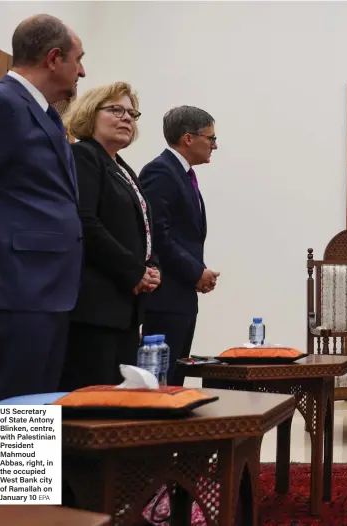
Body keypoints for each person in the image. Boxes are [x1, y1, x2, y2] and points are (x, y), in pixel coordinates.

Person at [0, 14, 85, 400]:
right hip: (17, 286)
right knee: (16, 400)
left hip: (48, 287)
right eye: (77, 59)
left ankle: (30, 464)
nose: (81, 70)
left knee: (37, 399)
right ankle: (16, 464)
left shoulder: (48, 115)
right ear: (53, 58)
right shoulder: (6, 103)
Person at [59, 82, 161, 390]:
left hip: (123, 308)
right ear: (90, 113)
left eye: (132, 113)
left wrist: (151, 267)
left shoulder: (123, 168)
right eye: (116, 110)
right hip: (94, 307)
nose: (127, 118)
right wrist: (135, 271)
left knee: (117, 405)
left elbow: (141, 225)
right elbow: (85, 221)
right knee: (91, 403)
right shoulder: (83, 155)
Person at [139, 105, 220, 386]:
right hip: (165, 297)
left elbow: (182, 235)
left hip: (182, 295)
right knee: (161, 384)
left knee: (174, 383)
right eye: (210, 138)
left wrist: (197, 272)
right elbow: (158, 236)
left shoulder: (180, 174)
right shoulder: (160, 172)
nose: (214, 145)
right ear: (188, 138)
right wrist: (195, 272)